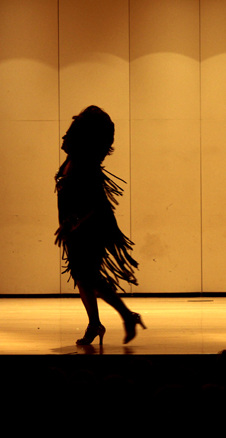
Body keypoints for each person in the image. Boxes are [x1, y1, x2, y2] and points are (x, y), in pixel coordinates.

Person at [55, 105, 145, 345]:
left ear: (84, 138)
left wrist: (72, 223)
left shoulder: (86, 166)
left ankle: (125, 316)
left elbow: (94, 201)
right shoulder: (73, 160)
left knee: (88, 276)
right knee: (84, 277)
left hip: (92, 226)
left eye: (71, 132)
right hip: (76, 227)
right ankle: (97, 323)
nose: (65, 136)